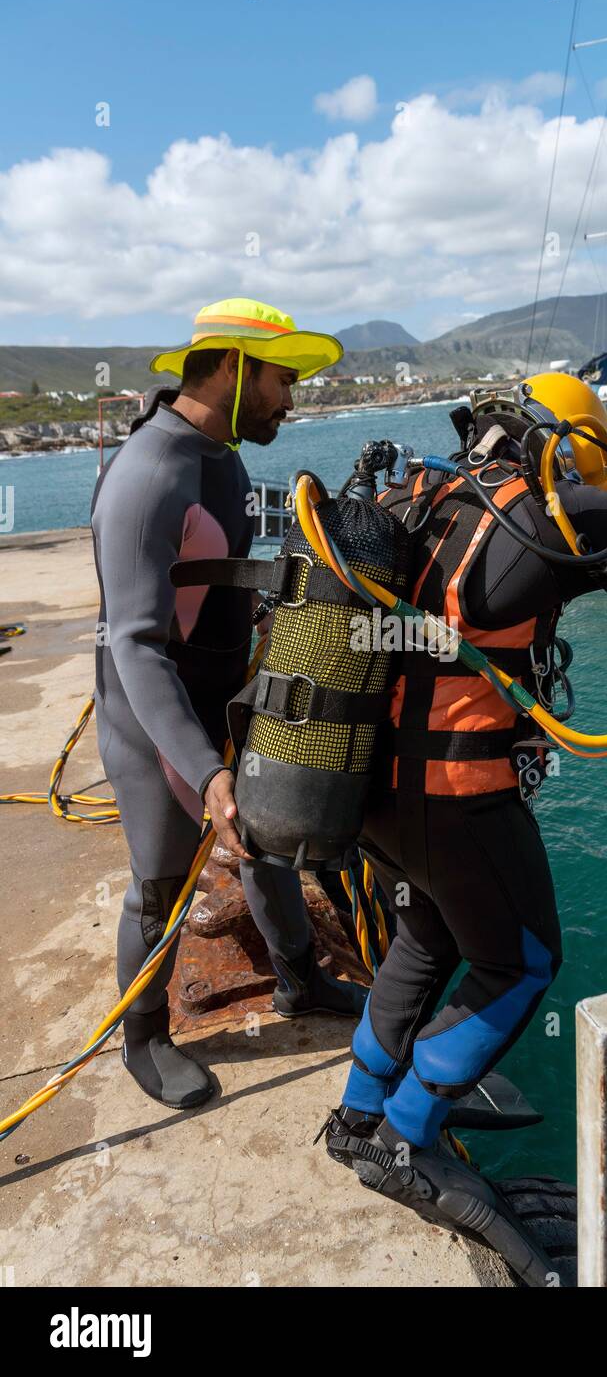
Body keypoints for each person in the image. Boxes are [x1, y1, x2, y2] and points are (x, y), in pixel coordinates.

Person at [323, 375, 607, 1272]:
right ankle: (404, 1136)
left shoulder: (415, 495)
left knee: (425, 938)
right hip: (459, 799)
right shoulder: (547, 513)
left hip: (375, 800)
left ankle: (356, 1109)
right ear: (566, 446)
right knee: (522, 960)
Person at [92, 298, 367, 1110]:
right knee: (160, 882)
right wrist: (207, 771)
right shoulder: (147, 477)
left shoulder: (226, 459)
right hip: (152, 717)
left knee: (267, 844)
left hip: (224, 697)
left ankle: (301, 980)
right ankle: (142, 1038)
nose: (291, 398)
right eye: (282, 378)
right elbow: (134, 644)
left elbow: (228, 584)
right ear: (234, 368)